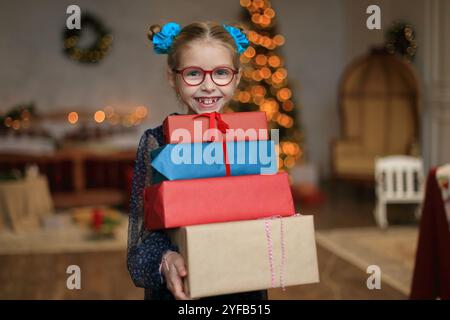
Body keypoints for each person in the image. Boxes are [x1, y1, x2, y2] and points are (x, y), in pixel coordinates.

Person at [127, 21, 268, 300]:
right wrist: (166, 259)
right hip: (180, 287)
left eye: (221, 73)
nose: (207, 86)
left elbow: (267, 211)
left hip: (242, 287)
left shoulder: (252, 137)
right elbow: (140, 244)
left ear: (237, 78)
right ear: (173, 77)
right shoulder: (157, 142)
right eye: (193, 73)